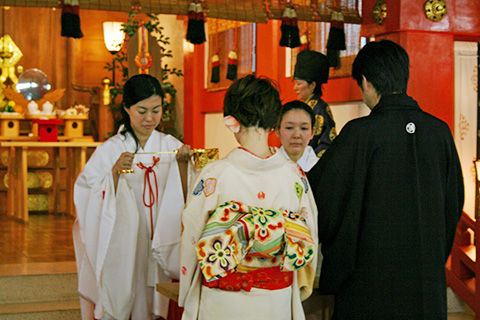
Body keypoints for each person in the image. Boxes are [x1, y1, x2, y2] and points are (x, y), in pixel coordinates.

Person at [308, 39, 464, 319]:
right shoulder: (440, 133)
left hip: (369, 285)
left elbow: (323, 195)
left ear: (366, 82)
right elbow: (452, 207)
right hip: (424, 284)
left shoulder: (359, 133)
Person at [178, 74, 318, 320]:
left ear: (231, 121)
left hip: (224, 301)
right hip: (277, 299)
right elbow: (310, 236)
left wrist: (187, 291)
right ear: (275, 121)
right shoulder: (295, 177)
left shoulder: (214, 176)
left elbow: (191, 236)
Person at [73, 74, 192, 320]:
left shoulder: (170, 145)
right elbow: (86, 191)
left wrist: (182, 165)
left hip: (160, 235)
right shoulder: (110, 150)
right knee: (125, 288)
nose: (150, 118)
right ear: (126, 108)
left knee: (155, 301)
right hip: (124, 240)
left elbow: (187, 191)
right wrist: (114, 175)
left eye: (156, 110)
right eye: (142, 110)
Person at [293, 50, 336, 157]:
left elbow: (326, 143)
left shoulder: (320, 109)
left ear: (312, 85)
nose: (295, 88)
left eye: (299, 84)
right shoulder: (306, 108)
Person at [276, 100, 318, 173]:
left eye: (304, 128)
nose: (296, 135)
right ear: (277, 130)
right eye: (289, 128)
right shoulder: (268, 168)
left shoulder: (322, 168)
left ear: (312, 133)